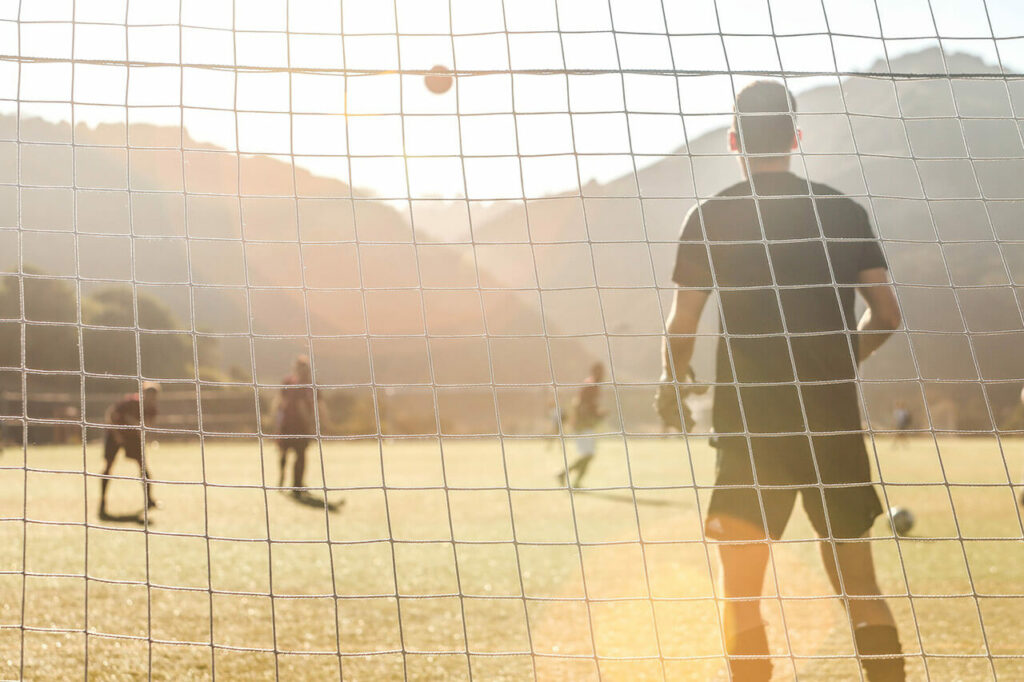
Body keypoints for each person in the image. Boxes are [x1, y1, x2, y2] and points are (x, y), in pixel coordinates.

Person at [657, 80, 905, 681]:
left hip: (751, 426)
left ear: (734, 140)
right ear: (796, 138)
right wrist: (839, 362)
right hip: (831, 423)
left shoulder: (710, 215)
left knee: (741, 594)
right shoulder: (843, 212)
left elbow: (682, 322)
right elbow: (888, 314)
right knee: (861, 589)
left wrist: (671, 382)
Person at [98, 382, 161, 518]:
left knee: (142, 466)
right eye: (148, 395)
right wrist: (117, 435)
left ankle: (149, 500)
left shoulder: (151, 409)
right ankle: (102, 502)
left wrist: (135, 424)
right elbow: (111, 413)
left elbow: (147, 425)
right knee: (108, 467)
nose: (151, 398)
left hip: (132, 436)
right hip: (115, 434)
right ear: (143, 393)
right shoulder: (131, 402)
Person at [557, 362, 607, 488]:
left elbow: (586, 405)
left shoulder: (593, 386)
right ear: (595, 372)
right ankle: (563, 474)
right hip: (583, 425)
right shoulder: (590, 385)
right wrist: (596, 415)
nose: (603, 375)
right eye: (600, 372)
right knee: (588, 455)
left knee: (589, 455)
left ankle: (575, 481)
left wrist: (598, 414)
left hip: (586, 425)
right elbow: (581, 405)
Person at [276, 355, 318, 494]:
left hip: (291, 425)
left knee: (293, 454)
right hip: (294, 425)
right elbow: (290, 403)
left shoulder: (305, 384)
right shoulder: (295, 383)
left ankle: (293, 483)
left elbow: (281, 402)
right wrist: (310, 424)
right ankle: (292, 483)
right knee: (292, 454)